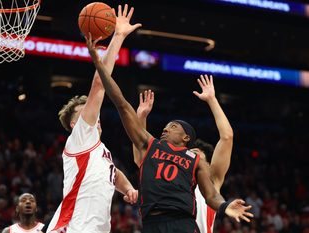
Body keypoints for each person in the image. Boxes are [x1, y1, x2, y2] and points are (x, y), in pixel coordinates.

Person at [85, 36, 254, 233]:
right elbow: (121, 103)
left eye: (172, 126)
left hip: (182, 222)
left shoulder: (199, 163)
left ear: (186, 138)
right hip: (152, 223)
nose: (165, 129)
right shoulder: (152, 145)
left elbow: (212, 193)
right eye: (166, 126)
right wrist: (99, 63)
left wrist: (226, 207)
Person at [46, 4, 141, 233]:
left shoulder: (98, 150)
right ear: (73, 124)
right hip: (73, 227)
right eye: (85, 112)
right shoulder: (80, 137)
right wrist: (118, 36)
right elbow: (99, 85)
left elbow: (112, 172)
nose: (94, 115)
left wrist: (128, 188)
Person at [133, 75, 234, 233]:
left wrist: (212, 100)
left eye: (195, 155)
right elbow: (140, 153)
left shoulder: (212, 179)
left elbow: (227, 137)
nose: (187, 157)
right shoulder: (168, 175)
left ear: (207, 165)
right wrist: (141, 116)